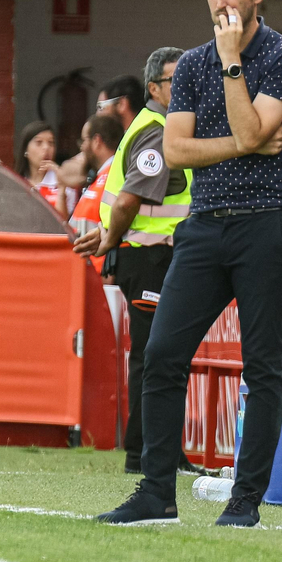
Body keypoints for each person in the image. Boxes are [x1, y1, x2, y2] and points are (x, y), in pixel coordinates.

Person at [95, 0, 282, 528]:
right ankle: (156, 494)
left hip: (268, 222)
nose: (220, 3)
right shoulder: (187, 65)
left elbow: (245, 122)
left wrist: (234, 62)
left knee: (262, 367)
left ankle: (245, 504)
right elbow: (179, 149)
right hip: (205, 225)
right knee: (161, 354)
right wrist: (249, 141)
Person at [75, 46, 192, 474]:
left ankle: (159, 453)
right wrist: (111, 238)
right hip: (147, 258)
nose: (186, 85)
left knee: (160, 355)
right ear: (154, 88)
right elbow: (126, 202)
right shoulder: (157, 131)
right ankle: (144, 455)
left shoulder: (165, 126)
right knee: (152, 356)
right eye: (176, 79)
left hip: (151, 256)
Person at [68, 112, 125, 275]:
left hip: (101, 272)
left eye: (84, 140)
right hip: (89, 271)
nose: (81, 147)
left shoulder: (115, 175)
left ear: (97, 141)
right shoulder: (102, 176)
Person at [16, 119, 66, 216]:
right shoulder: (17, 182)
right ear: (25, 150)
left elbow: (63, 223)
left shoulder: (61, 180)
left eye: (51, 143)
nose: (46, 148)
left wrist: (62, 188)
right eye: (39, 142)